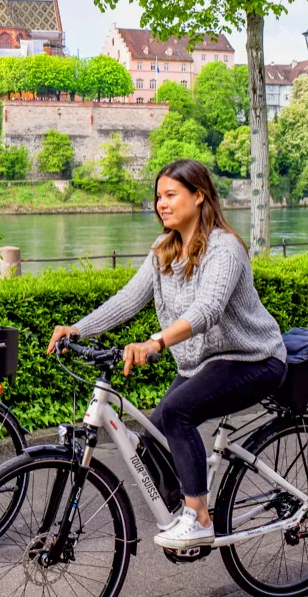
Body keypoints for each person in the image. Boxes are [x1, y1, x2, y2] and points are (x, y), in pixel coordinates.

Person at [46, 159, 286, 549]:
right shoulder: (164, 249)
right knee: (155, 436)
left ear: (199, 195)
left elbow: (207, 310)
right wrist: (78, 328)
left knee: (177, 415)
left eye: (171, 195)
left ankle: (200, 518)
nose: (162, 203)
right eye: (158, 196)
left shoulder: (224, 248)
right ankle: (180, 508)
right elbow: (129, 299)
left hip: (254, 358)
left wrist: (156, 342)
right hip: (203, 363)